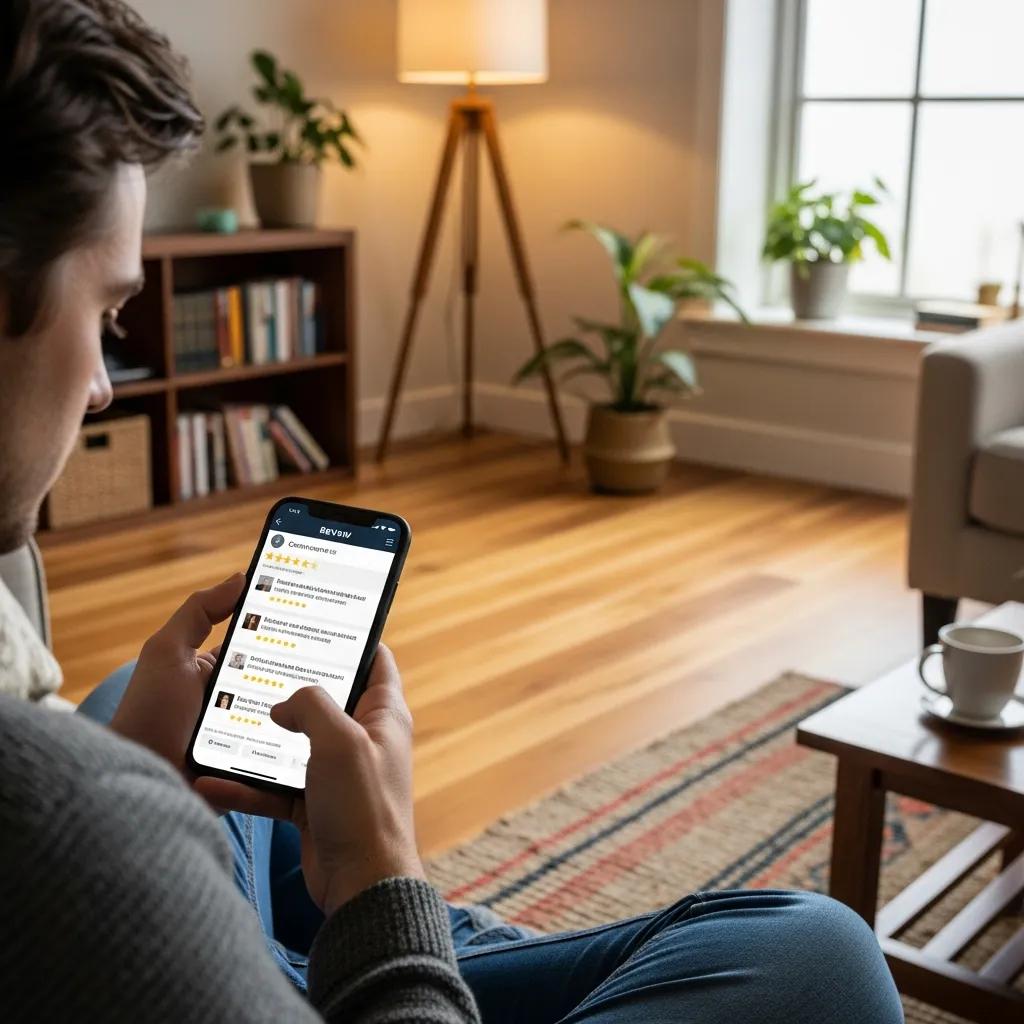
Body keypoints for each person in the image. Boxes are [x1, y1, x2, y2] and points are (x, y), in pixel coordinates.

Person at [0, 2, 905, 1022]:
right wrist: (386, 882)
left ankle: (344, 924)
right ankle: (404, 936)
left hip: (157, 862)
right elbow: (94, 856)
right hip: (219, 933)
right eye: (109, 311)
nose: (104, 387)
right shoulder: (76, 833)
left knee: (172, 694)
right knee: (821, 955)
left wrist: (143, 771)